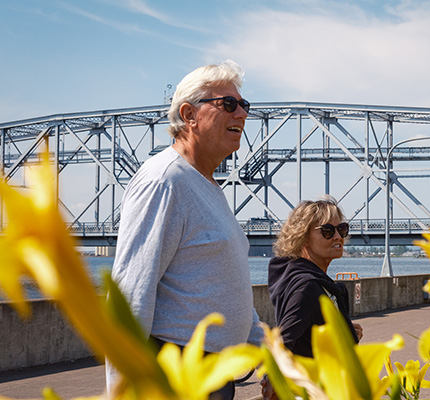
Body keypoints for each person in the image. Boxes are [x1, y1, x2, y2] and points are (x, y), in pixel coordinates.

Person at [106, 60, 263, 399]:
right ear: (189, 114)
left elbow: (225, 283)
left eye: (245, 106)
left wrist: (268, 356)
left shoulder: (206, 185)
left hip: (213, 376)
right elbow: (131, 296)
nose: (242, 115)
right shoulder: (164, 181)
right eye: (229, 104)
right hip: (177, 376)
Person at [268, 197, 363, 356]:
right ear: (303, 237)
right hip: (313, 380)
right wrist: (271, 377)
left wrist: (344, 330)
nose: (338, 236)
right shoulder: (307, 288)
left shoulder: (319, 283)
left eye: (342, 229)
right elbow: (284, 342)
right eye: (328, 230)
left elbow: (308, 336)